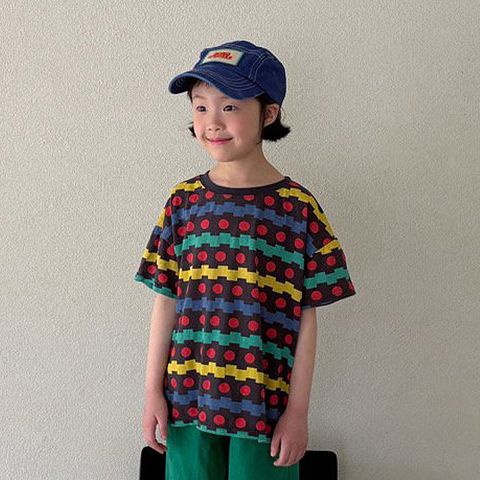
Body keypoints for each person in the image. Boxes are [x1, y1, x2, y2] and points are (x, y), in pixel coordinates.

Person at [134, 40, 357, 480]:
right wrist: (151, 392)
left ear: (268, 114)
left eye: (230, 106)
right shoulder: (183, 202)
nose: (212, 122)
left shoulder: (297, 208)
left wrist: (298, 412)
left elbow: (306, 315)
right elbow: (166, 300)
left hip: (264, 406)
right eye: (201, 107)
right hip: (187, 399)